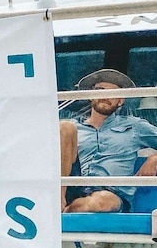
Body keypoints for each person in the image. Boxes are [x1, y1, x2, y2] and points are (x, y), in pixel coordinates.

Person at [60, 69, 157, 212]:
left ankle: (64, 212)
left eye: (113, 93)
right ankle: (59, 201)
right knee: (64, 127)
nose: (105, 95)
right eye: (99, 90)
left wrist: (155, 158)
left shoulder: (135, 125)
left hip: (112, 194)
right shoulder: (73, 127)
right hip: (72, 188)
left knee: (102, 201)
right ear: (90, 96)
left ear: (120, 101)